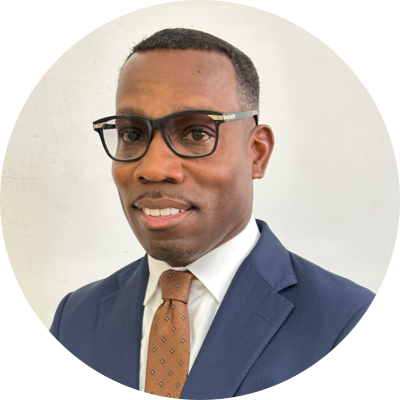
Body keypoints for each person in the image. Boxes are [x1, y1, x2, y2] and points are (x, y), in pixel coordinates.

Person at [49, 28, 383, 399]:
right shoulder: (75, 318)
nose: (154, 167)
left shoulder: (352, 321)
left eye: (195, 133)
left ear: (256, 153)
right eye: (132, 134)